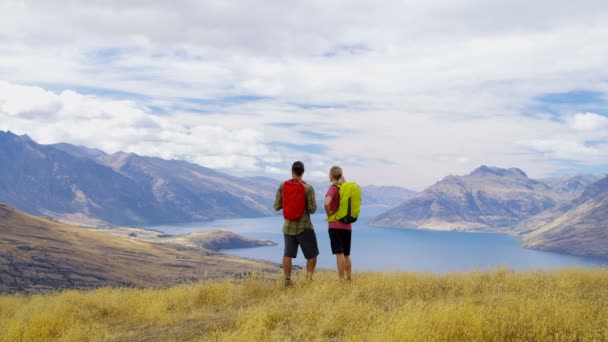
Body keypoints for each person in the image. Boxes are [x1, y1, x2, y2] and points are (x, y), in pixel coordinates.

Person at [274, 161, 318, 287]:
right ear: (303, 172)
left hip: (288, 227)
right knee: (312, 255)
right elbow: (313, 209)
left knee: (288, 254)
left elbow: (276, 206)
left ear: (292, 171)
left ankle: (287, 281)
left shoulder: (283, 186)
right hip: (304, 227)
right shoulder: (308, 188)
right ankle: (308, 281)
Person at [324, 166, 352, 280]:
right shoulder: (346, 188)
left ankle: (341, 280)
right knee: (346, 254)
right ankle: (349, 278)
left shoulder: (333, 188)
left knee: (339, 254)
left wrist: (329, 214)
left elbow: (326, 203)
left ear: (331, 175)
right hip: (347, 226)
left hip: (335, 226)